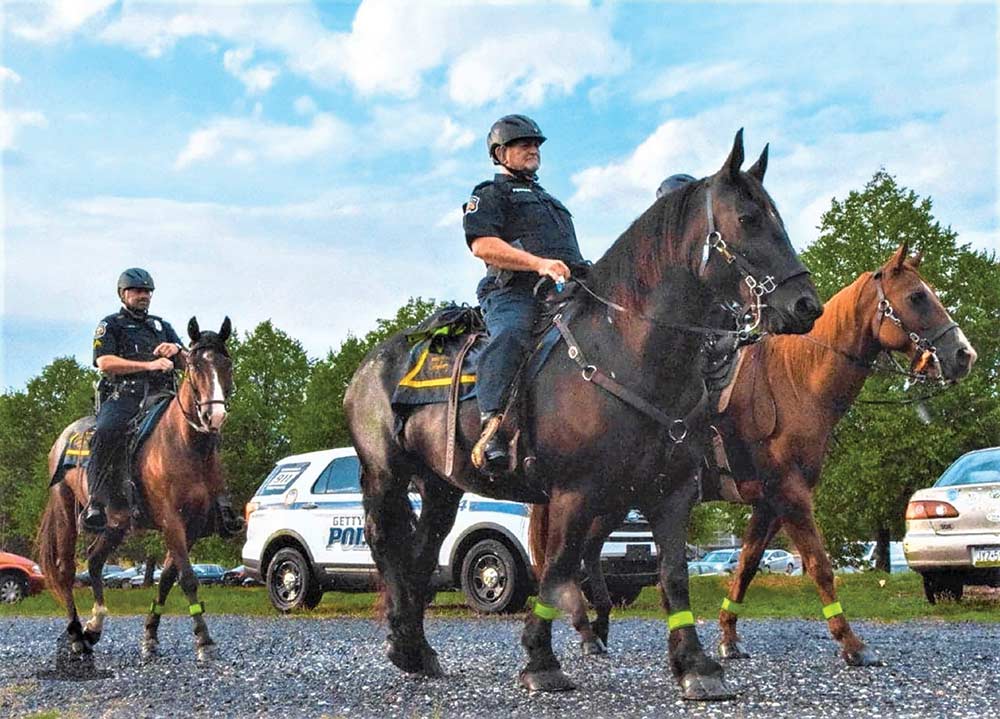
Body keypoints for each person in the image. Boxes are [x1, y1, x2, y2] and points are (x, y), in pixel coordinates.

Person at [463, 115, 587, 475]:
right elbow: (482, 245)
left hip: (565, 289)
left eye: (535, 144)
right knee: (511, 334)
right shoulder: (490, 193)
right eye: (523, 144)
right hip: (513, 292)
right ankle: (494, 427)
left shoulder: (550, 201)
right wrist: (538, 264)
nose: (533, 149)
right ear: (500, 153)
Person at [82, 269, 243, 536]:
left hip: (161, 395)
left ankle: (220, 503)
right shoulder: (111, 325)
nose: (143, 295)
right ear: (123, 294)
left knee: (206, 432)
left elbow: (190, 363)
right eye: (137, 291)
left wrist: (177, 350)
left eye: (147, 291)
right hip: (125, 395)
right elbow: (104, 362)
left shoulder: (161, 326)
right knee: (106, 431)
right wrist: (149, 364)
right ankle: (96, 502)